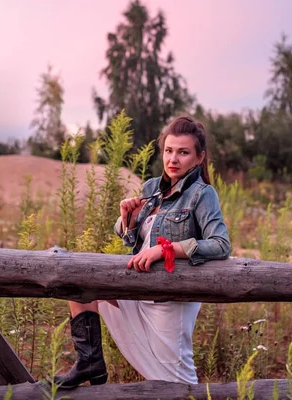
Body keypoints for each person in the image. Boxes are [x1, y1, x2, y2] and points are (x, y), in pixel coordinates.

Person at [54, 115, 231, 388]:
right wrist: (129, 217)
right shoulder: (151, 188)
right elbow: (129, 237)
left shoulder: (201, 194)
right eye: (168, 151)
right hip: (137, 287)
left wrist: (167, 249)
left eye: (183, 152)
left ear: (199, 158)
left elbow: (220, 244)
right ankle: (90, 362)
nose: (173, 159)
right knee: (79, 284)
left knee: (176, 381)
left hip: (170, 298)